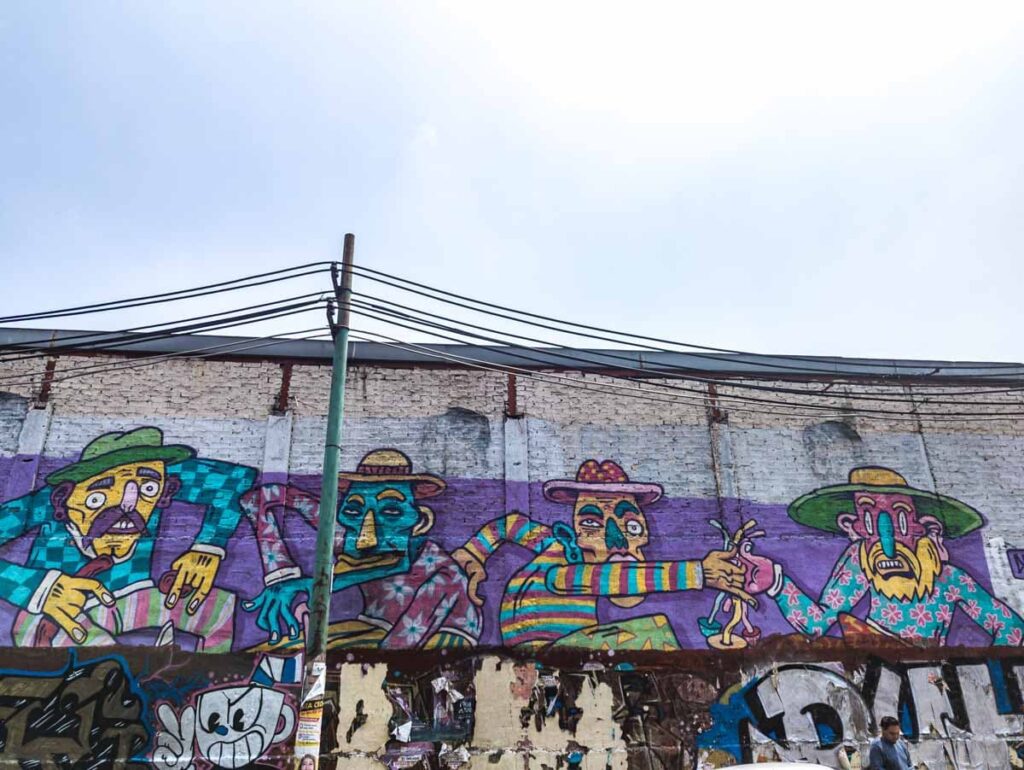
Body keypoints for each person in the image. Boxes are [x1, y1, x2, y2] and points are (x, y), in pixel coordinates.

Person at [0, 427, 257, 652]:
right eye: (101, 493)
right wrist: (38, 588)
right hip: (52, 614)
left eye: (146, 489)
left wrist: (208, 546)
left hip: (130, 598)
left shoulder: (158, 477)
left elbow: (236, 479)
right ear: (65, 500)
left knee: (220, 610)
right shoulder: (45, 503)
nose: (128, 503)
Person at [453, 459, 749, 650]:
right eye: (592, 524)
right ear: (577, 531)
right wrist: (698, 573)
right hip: (547, 658)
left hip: (570, 653)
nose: (616, 541)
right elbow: (610, 579)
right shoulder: (564, 570)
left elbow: (510, 525)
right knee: (654, 635)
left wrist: (472, 552)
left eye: (631, 525)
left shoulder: (555, 543)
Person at [755, 467, 1024, 645]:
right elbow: (817, 622)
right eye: (870, 521)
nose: (887, 541)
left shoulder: (949, 578)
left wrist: (985, 677)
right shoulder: (861, 564)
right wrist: (777, 584)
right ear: (854, 527)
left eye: (900, 520)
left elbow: (1011, 628)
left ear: (928, 527)